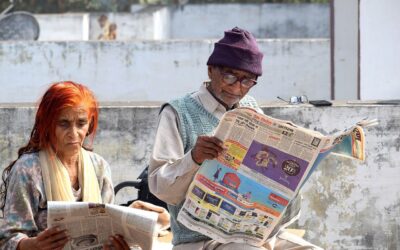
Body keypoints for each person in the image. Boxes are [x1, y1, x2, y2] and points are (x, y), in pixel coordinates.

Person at [148, 27, 322, 250]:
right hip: (200, 240)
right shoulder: (177, 112)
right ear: (211, 70)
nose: (237, 88)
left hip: (253, 233)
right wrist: (194, 158)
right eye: (230, 76)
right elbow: (160, 188)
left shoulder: (251, 108)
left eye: (247, 81)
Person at [0, 81, 129, 250]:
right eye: (64, 123)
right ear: (47, 124)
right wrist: (32, 245)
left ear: (90, 123)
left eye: (81, 123)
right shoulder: (28, 170)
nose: (74, 134)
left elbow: (108, 229)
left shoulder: (99, 167)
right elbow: (7, 239)